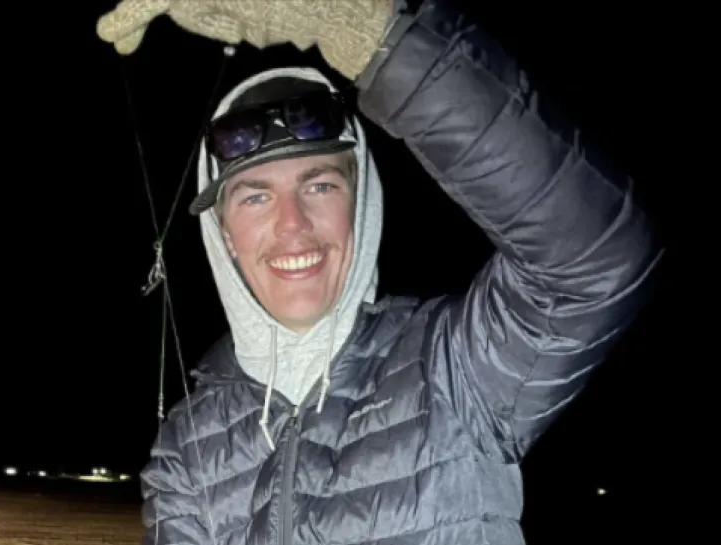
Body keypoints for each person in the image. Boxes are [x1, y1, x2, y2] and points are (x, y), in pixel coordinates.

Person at [97, 0, 663, 543]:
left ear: (360, 205)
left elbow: (594, 258)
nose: (293, 225)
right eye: (255, 198)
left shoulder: (452, 370)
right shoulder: (187, 444)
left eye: (320, 185)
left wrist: (373, 38)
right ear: (225, 236)